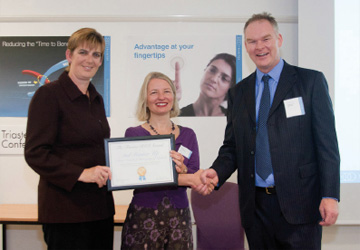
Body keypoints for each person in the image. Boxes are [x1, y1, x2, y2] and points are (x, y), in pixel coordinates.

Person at [194, 12, 340, 249]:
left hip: (300, 205)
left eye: (266, 39)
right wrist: (217, 173)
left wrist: (330, 195)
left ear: (279, 39)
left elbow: (327, 146)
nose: (259, 47)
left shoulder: (310, 82)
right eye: (252, 41)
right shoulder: (238, 93)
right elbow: (232, 146)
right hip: (255, 208)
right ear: (246, 46)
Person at [25, 28, 114, 249]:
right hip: (65, 212)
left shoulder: (97, 98)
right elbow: (36, 153)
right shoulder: (49, 95)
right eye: (83, 52)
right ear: (69, 56)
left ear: (101, 61)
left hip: (100, 209)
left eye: (96, 55)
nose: (90, 60)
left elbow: (95, 149)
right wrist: (82, 174)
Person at [121, 72, 202, 249]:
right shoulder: (134, 134)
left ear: (173, 96)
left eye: (166, 91)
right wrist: (185, 176)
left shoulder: (188, 134)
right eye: (154, 93)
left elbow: (194, 175)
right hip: (143, 216)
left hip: (179, 217)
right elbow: (140, 175)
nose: (161, 97)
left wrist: (184, 171)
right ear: (146, 99)